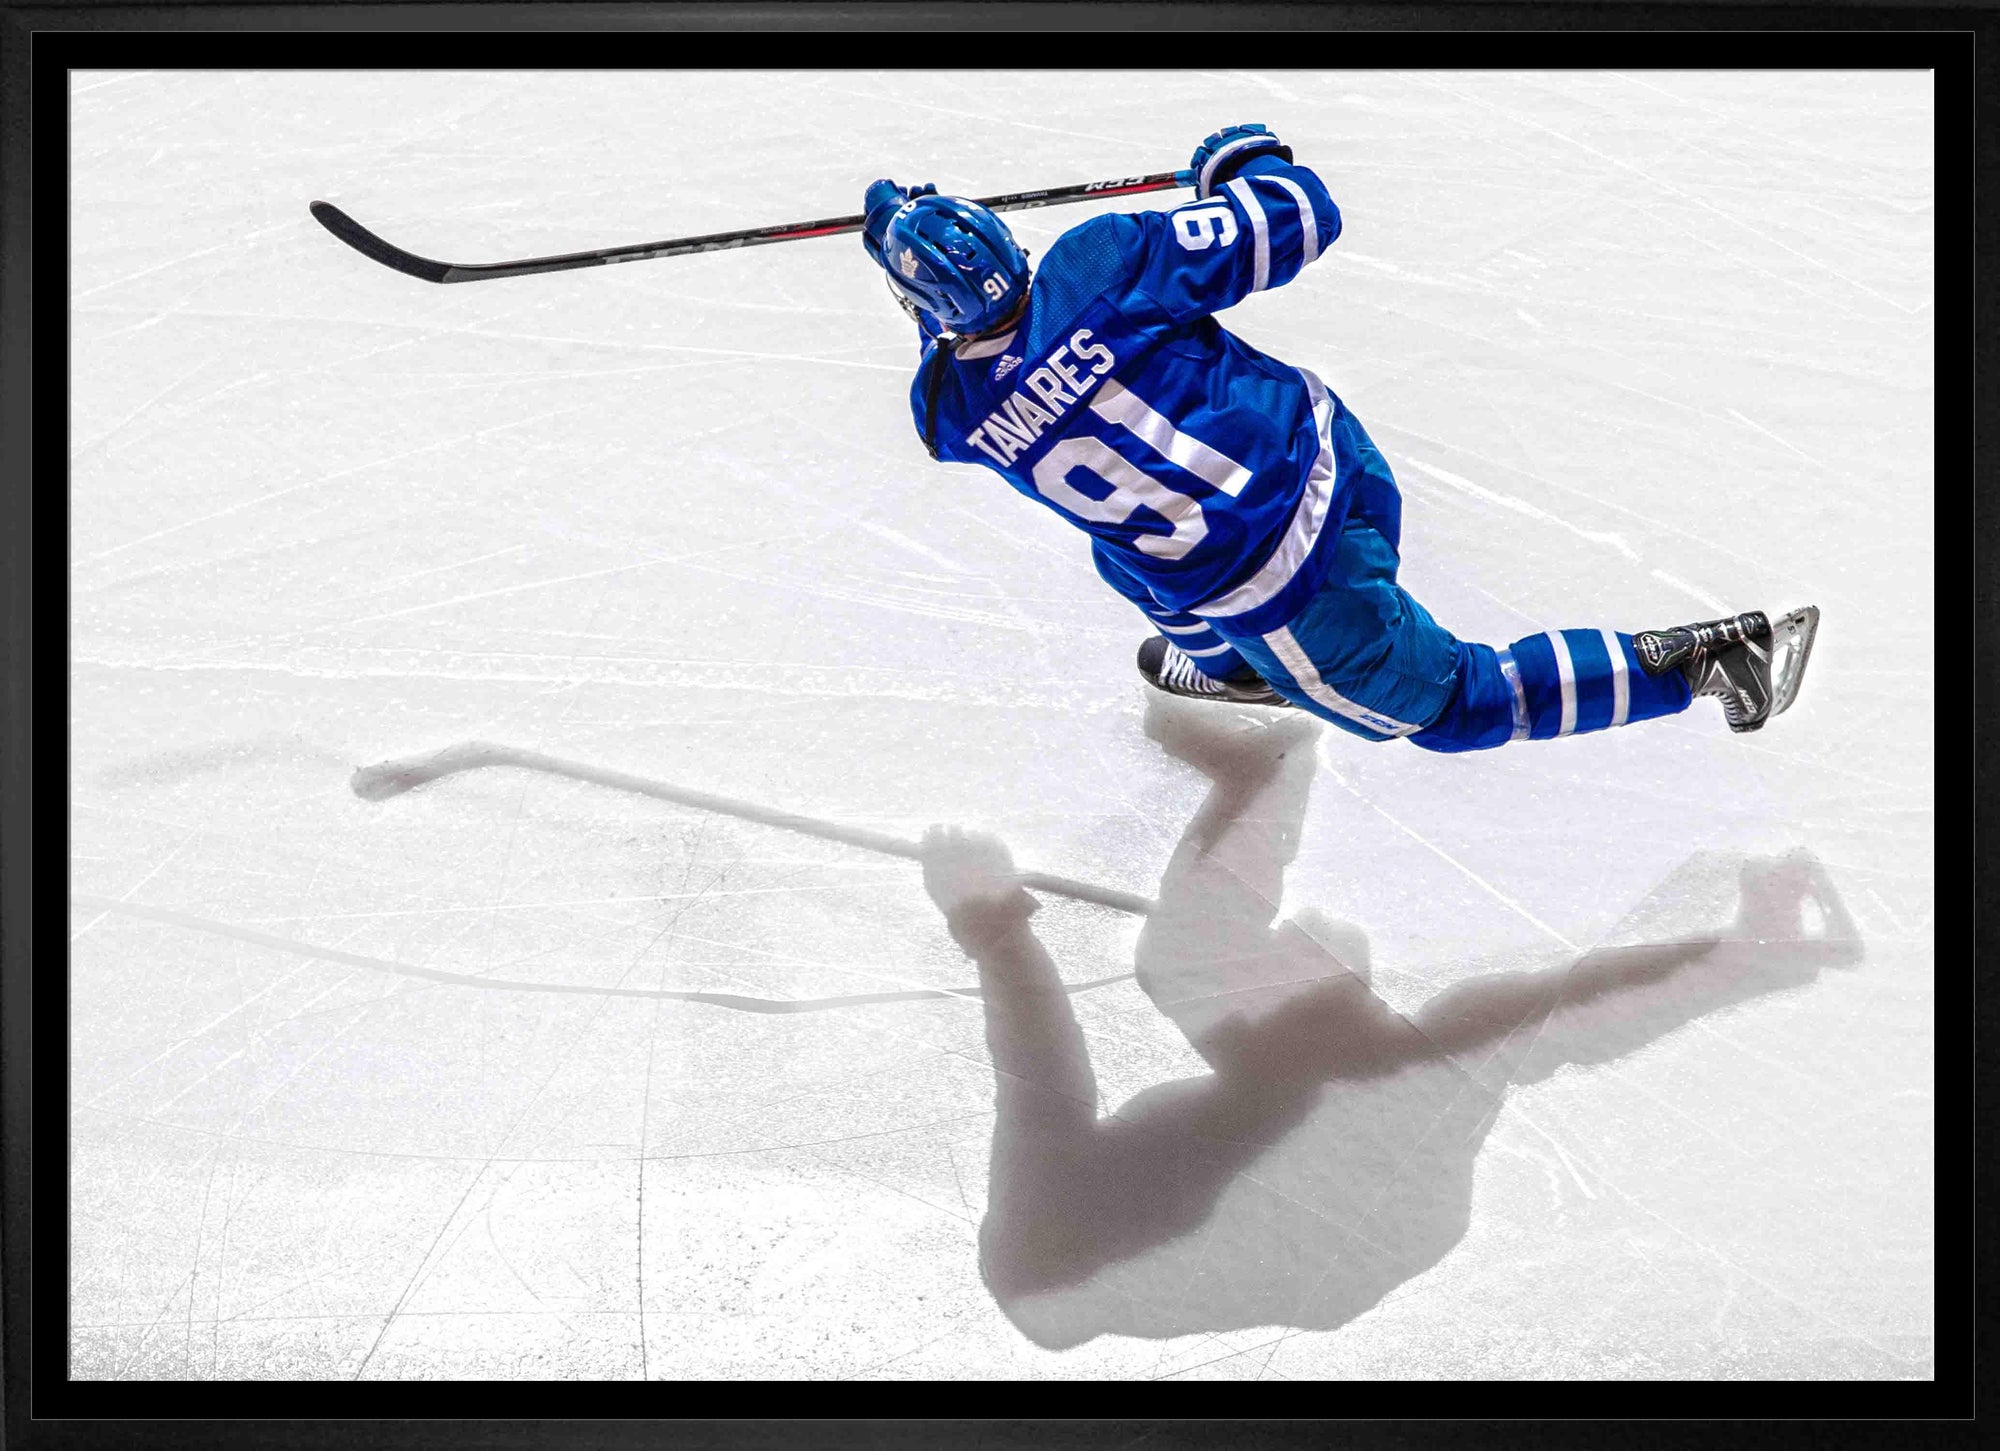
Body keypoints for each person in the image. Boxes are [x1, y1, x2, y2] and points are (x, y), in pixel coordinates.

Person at [860, 125, 1819, 750]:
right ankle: (1240, 674)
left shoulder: (947, 412)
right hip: (1334, 457)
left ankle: (1705, 662)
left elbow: (953, 348)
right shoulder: (1106, 258)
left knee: (1455, 707)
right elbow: (1304, 214)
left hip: (1287, 591)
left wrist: (902, 251)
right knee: (1129, 561)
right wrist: (1242, 163)